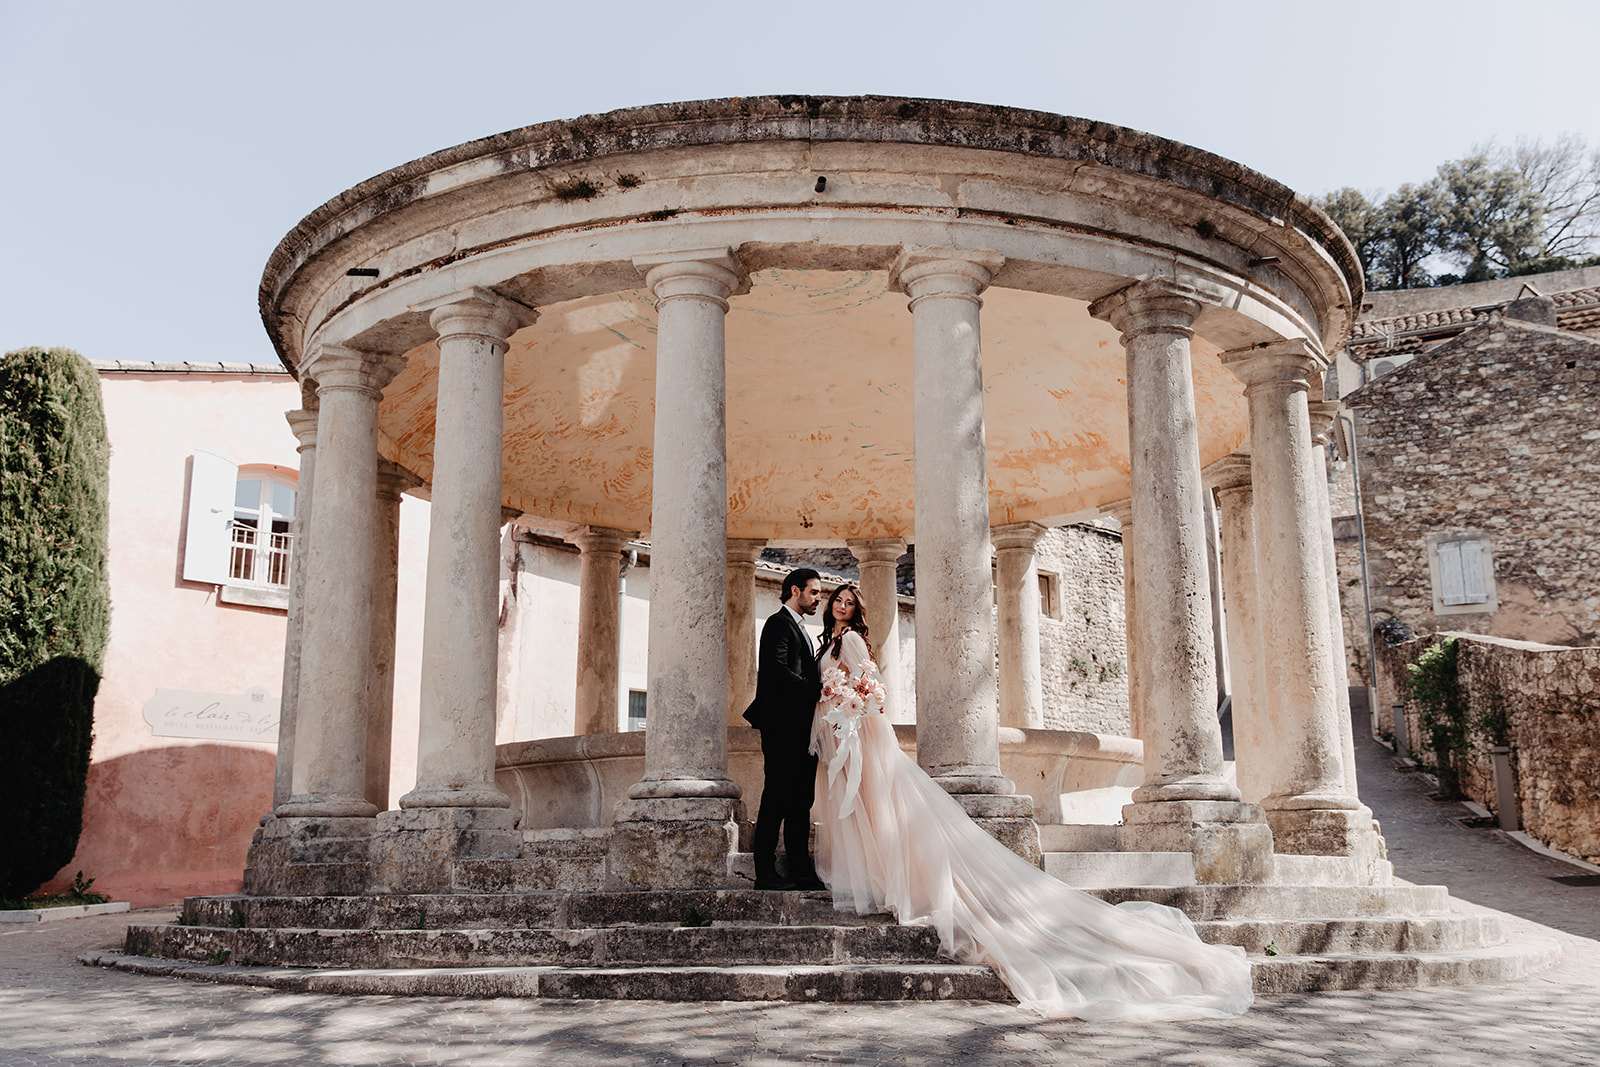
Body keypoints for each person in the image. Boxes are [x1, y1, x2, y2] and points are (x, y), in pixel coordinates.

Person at [807, 583, 1254, 1021]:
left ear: (856, 610)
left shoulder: (850, 641)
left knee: (881, 810)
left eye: (849, 603)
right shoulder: (830, 640)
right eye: (839, 602)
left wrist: (847, 702)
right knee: (869, 813)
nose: (843, 607)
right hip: (843, 738)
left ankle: (896, 882)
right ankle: (883, 877)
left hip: (861, 737)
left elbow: (868, 689)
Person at [743, 567, 825, 891]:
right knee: (776, 798)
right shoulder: (779, 624)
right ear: (795, 591)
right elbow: (777, 672)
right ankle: (764, 872)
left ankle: (799, 869)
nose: (818, 598)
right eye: (814, 592)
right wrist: (817, 690)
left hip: (803, 730)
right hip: (782, 730)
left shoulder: (801, 627)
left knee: (801, 801)